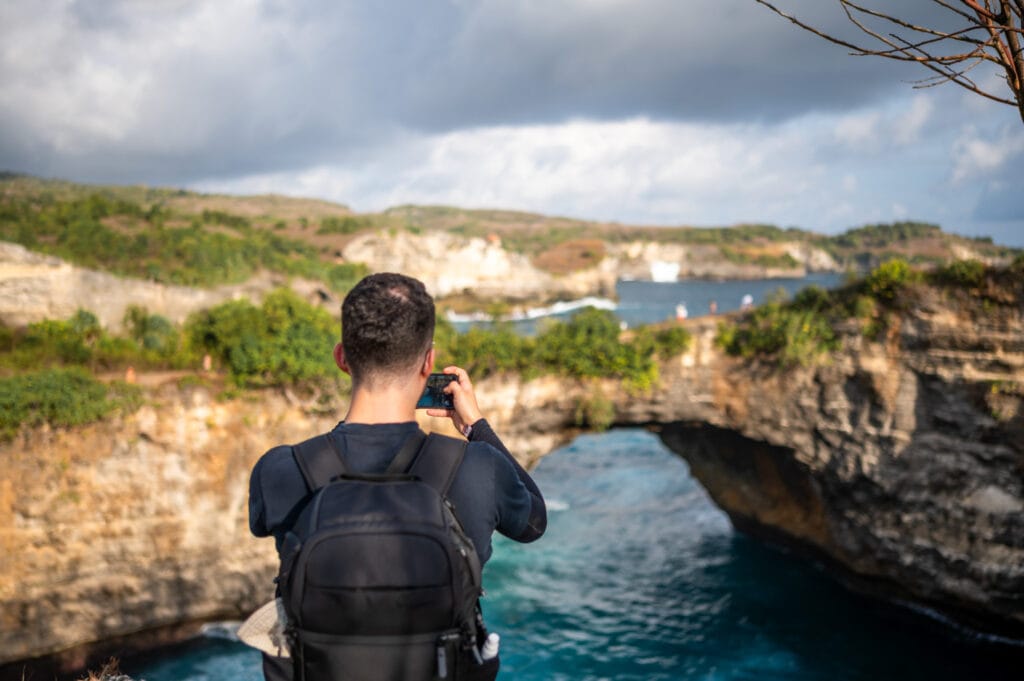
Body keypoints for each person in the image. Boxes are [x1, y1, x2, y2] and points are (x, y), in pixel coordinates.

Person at [248, 272, 547, 680]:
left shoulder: (281, 470)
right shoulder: (479, 466)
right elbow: (533, 523)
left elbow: (262, 523)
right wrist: (476, 425)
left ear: (342, 357)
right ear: (428, 362)